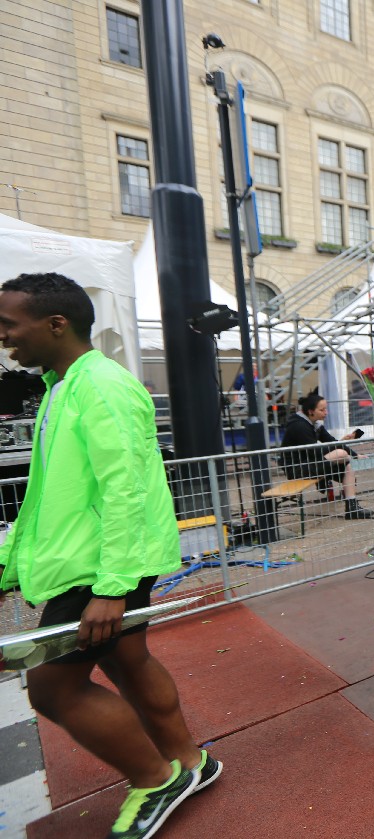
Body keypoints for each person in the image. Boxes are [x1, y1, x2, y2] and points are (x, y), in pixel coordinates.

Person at [0, 273, 220, 839]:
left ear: (56, 324)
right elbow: (50, 492)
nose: (3, 337)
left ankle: (156, 779)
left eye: (8, 324)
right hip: (99, 561)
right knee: (127, 660)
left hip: (101, 568)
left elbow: (126, 490)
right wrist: (11, 564)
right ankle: (190, 762)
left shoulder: (100, 385)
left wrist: (111, 587)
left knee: (53, 689)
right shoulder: (63, 385)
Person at [280, 392, 374, 519]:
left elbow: (331, 442)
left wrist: (355, 455)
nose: (326, 412)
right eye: (322, 410)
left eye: (326, 409)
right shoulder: (299, 426)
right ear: (311, 411)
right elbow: (315, 451)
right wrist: (347, 455)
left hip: (312, 463)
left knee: (348, 465)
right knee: (341, 454)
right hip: (297, 469)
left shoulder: (315, 423)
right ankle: (324, 479)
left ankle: (352, 508)